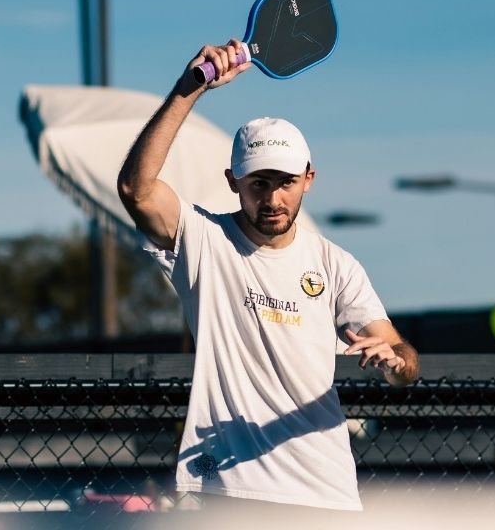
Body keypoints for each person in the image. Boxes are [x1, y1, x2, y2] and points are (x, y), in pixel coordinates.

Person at [116, 39, 420, 514]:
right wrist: (189, 88)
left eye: (286, 182)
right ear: (232, 181)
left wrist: (394, 361)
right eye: (258, 183)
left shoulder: (335, 264)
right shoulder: (203, 239)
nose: (273, 199)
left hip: (326, 493)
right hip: (227, 490)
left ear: (308, 179)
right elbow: (136, 190)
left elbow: (403, 363)